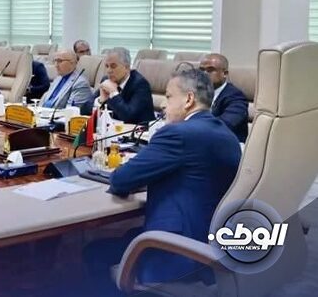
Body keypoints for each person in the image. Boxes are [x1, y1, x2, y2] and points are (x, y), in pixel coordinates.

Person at [84, 68, 241, 294]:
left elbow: (121, 179)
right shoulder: (227, 135)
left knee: (94, 252)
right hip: (211, 244)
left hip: (176, 251)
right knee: (126, 236)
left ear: (188, 99)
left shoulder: (177, 134)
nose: (163, 105)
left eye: (168, 97)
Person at [83, 47, 155, 124]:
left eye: (113, 66)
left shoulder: (140, 84)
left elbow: (128, 117)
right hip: (113, 128)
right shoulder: (106, 80)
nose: (108, 71)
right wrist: (100, 100)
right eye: (107, 66)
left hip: (138, 130)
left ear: (127, 67)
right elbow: (83, 110)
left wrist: (114, 93)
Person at [199, 53, 249, 142]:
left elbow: (225, 124)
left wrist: (193, 126)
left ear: (225, 74)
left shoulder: (236, 97)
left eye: (210, 70)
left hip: (228, 143)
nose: (204, 74)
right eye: (201, 70)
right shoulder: (196, 92)